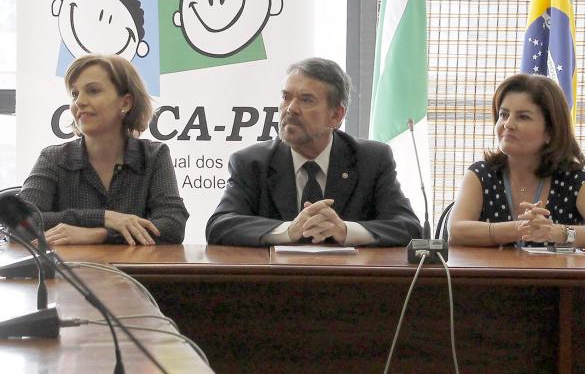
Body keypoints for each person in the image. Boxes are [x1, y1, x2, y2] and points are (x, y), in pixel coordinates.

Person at [205, 58, 421, 247]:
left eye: (306, 100)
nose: (290, 109)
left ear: (336, 116)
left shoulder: (371, 159)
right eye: (286, 97)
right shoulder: (252, 162)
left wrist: (345, 231)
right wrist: (288, 230)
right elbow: (220, 225)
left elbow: (408, 227)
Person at [449, 74, 585, 250]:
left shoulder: (572, 179)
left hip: (556, 280)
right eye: (504, 115)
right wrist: (519, 229)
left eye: (523, 117)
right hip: (487, 281)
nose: (508, 124)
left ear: (550, 131)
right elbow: (455, 231)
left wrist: (559, 233)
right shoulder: (481, 174)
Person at [20, 54, 188, 245]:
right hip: (68, 273)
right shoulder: (53, 157)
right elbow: (21, 222)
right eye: (75, 94)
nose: (79, 102)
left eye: (93, 91)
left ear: (125, 103)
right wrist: (105, 218)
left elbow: (173, 225)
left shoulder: (154, 155)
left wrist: (101, 234)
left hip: (133, 274)